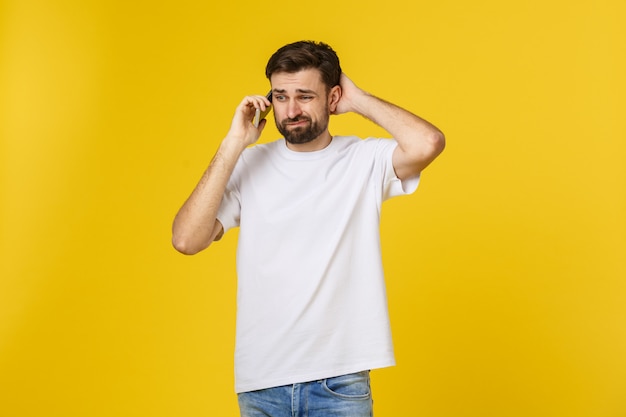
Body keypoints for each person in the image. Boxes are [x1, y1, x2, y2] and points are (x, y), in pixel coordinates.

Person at [172, 40, 445, 417]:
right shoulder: (250, 165)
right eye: (280, 96)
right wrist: (233, 143)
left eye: (304, 96)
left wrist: (358, 98)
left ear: (332, 97)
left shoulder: (363, 160)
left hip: (339, 383)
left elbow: (428, 142)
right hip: (261, 381)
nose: (291, 110)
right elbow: (186, 239)